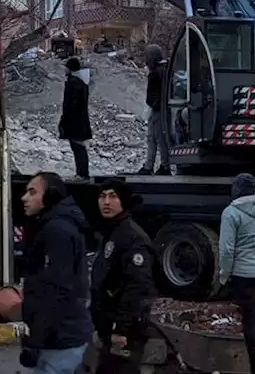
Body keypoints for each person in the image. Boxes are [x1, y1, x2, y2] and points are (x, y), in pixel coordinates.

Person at [18, 172, 92, 374]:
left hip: (61, 338)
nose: (24, 198)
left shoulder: (57, 231)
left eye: (32, 192)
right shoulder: (50, 226)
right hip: (56, 337)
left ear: (51, 196)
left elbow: (54, 290)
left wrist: (35, 341)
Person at [90, 179, 156, 374]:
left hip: (125, 330)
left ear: (124, 201)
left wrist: (121, 328)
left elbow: (138, 287)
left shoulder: (132, 237)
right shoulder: (112, 231)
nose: (106, 202)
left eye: (112, 196)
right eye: (102, 197)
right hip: (108, 325)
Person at [216, 173, 255, 374]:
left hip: (244, 273)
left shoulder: (231, 213)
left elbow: (226, 250)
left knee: (249, 321)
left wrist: (224, 275)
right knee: (254, 313)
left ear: (238, 189)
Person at [58, 57, 92, 179]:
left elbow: (70, 104)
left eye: (66, 67)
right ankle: (82, 173)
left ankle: (82, 174)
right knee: (79, 146)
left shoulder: (73, 83)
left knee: (78, 147)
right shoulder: (81, 82)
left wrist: (64, 120)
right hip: (80, 121)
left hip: (75, 121)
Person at [138, 44, 169, 176]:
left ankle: (161, 166)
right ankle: (153, 165)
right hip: (161, 109)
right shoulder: (165, 70)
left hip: (157, 110)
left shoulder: (156, 73)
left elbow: (152, 95)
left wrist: (153, 103)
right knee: (155, 138)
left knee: (156, 138)